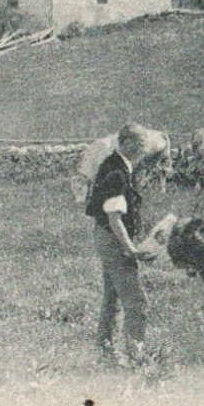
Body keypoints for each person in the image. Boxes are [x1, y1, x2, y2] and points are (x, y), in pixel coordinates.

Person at [84, 140, 147, 365]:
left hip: (104, 236)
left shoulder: (110, 164)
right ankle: (135, 355)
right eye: (144, 147)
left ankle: (105, 351)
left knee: (112, 298)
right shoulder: (118, 174)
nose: (145, 152)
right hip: (114, 240)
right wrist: (130, 248)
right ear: (135, 147)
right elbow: (114, 217)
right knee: (137, 300)